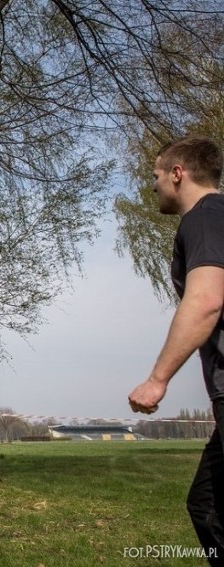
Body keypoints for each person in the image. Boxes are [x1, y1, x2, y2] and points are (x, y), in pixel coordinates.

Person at [127, 135, 224, 564]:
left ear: (178, 174)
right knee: (205, 506)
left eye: (156, 176)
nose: (153, 186)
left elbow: (205, 300)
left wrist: (157, 379)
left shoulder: (204, 218)